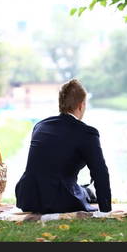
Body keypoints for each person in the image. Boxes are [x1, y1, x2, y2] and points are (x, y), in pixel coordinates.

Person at [15, 79, 112, 214]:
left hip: (28, 198)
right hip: (60, 201)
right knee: (79, 191)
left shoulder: (40, 126)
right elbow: (100, 172)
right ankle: (86, 192)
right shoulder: (87, 133)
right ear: (81, 105)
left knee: (75, 187)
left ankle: (85, 191)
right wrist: (105, 210)